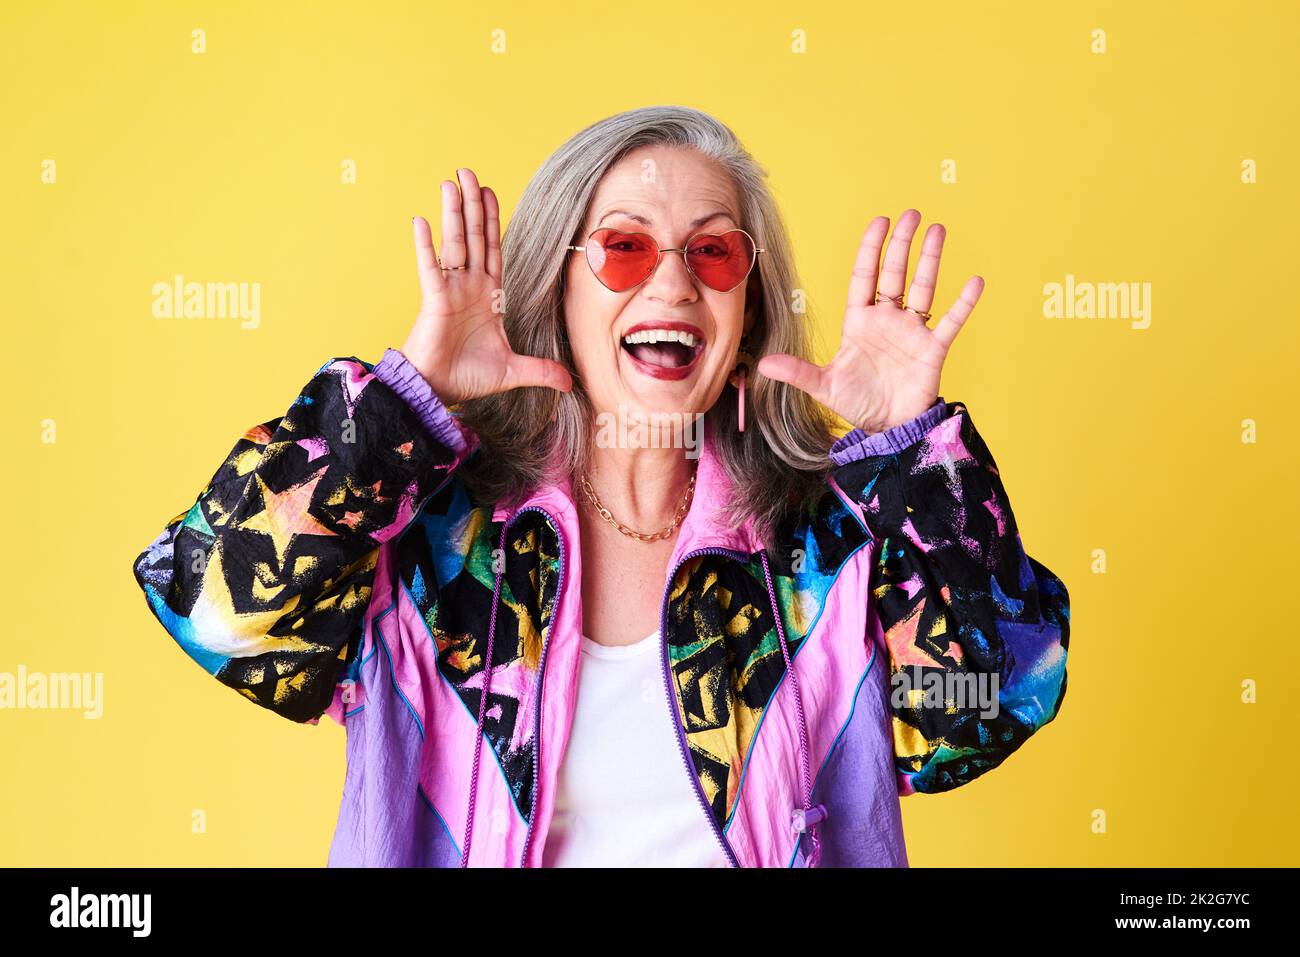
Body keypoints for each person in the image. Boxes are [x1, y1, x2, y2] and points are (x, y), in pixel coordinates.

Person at [132, 105, 1070, 868]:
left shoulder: (823, 557)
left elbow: (996, 704)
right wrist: (397, 415)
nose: (672, 280)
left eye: (714, 253)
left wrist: (909, 454)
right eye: (624, 247)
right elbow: (217, 608)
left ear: (744, 314)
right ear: (557, 295)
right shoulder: (433, 545)